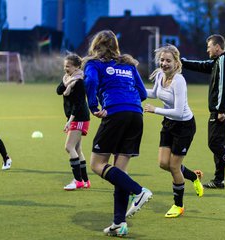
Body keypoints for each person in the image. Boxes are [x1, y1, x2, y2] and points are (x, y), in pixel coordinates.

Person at [83, 30, 152, 237]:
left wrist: (94, 106)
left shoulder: (94, 63)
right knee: (119, 173)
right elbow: (142, 92)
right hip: (136, 116)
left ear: (96, 45)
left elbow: (90, 83)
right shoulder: (128, 64)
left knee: (96, 164)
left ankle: (139, 191)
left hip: (115, 114)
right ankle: (118, 223)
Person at [181, 34, 225, 190]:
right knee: (221, 144)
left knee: (214, 144)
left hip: (221, 111)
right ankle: (219, 180)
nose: (207, 50)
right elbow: (203, 65)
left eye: (209, 47)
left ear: (217, 47)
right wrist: (182, 62)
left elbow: (222, 86)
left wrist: (220, 110)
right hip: (224, 110)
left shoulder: (223, 62)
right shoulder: (218, 61)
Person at [144, 45, 204, 218]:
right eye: (162, 60)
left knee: (174, 166)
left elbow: (178, 111)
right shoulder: (160, 75)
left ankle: (179, 205)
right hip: (169, 123)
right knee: (163, 163)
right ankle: (193, 176)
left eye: (168, 61)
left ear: (176, 62)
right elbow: (154, 93)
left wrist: (155, 110)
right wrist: (134, 89)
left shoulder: (179, 81)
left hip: (184, 126)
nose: (164, 63)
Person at [56, 53, 91, 191]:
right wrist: (66, 81)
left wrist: (69, 121)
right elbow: (59, 91)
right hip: (76, 117)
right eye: (65, 66)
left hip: (79, 117)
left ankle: (78, 180)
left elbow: (79, 104)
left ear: (77, 67)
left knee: (69, 147)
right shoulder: (68, 79)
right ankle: (86, 181)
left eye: (68, 66)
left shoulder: (80, 82)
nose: (66, 68)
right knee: (77, 149)